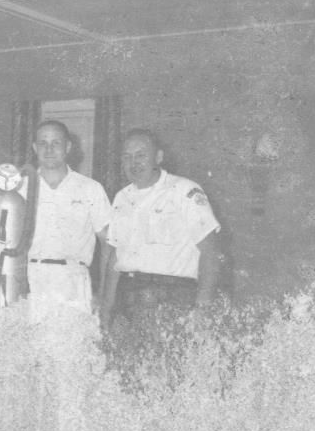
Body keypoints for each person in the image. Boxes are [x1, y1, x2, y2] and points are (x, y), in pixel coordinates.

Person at [99, 128, 222, 326]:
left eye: (141, 155)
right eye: (127, 157)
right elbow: (115, 257)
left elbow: (211, 251)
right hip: (127, 297)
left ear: (158, 157)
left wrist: (203, 307)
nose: (133, 163)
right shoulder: (121, 198)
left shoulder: (184, 191)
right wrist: (106, 309)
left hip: (172, 297)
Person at [26, 120, 113, 313]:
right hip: (30, 282)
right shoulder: (21, 187)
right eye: (43, 143)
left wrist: (103, 292)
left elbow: (108, 242)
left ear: (68, 147)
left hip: (74, 284)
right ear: (35, 148)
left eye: (56, 143)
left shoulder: (90, 188)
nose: (49, 149)